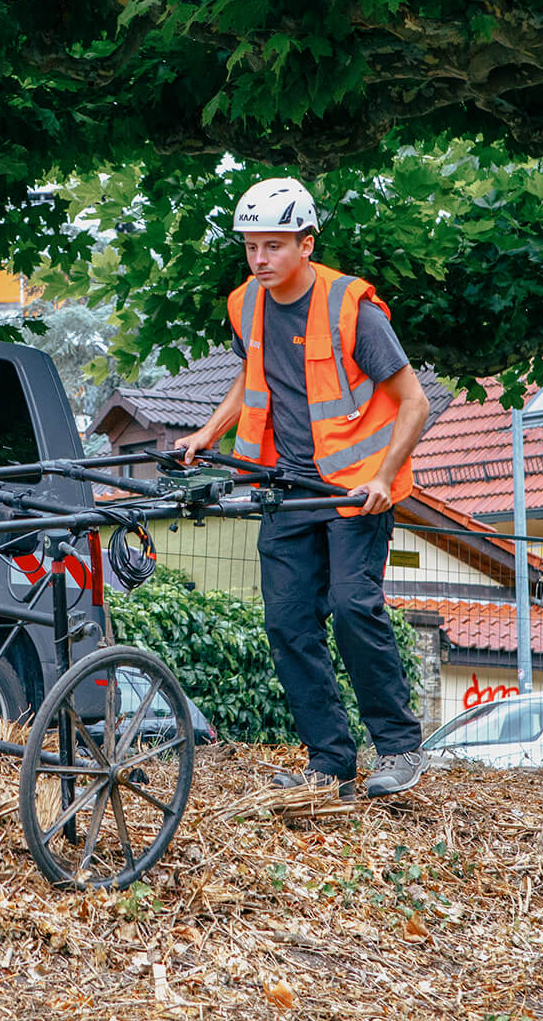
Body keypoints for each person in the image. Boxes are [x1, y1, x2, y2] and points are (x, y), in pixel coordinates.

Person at [176, 178, 432, 799]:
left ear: (306, 243)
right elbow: (251, 373)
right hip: (287, 488)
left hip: (354, 492)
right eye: (250, 247)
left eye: (273, 246)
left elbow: (414, 403)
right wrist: (208, 430)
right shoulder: (245, 304)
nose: (260, 259)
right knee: (288, 621)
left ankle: (399, 749)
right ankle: (331, 762)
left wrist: (379, 476)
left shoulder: (354, 310)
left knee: (351, 607)